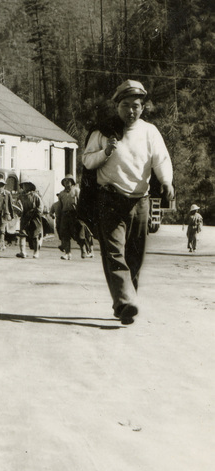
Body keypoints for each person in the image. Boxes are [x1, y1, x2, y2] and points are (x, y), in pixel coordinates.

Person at [83, 79, 174, 325]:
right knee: (114, 254)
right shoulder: (103, 131)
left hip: (140, 201)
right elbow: (87, 161)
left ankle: (124, 301)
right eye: (125, 105)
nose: (130, 111)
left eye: (135, 105)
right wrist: (106, 152)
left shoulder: (149, 132)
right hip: (110, 199)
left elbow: (161, 160)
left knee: (135, 257)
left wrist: (166, 182)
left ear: (142, 107)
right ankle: (126, 302)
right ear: (117, 106)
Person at [53, 174, 93, 260]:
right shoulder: (61, 194)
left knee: (79, 233)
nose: (67, 182)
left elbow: (81, 204)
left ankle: (83, 251)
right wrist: (59, 218)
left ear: (72, 182)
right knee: (65, 234)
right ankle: (68, 253)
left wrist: (82, 215)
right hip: (65, 215)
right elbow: (60, 206)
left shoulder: (76, 191)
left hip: (75, 215)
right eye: (65, 181)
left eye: (69, 181)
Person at [16, 180, 44, 259]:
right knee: (22, 234)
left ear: (30, 186)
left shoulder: (35, 196)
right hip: (24, 217)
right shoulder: (20, 196)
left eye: (26, 185)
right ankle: (22, 252)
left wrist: (34, 212)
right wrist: (19, 212)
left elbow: (40, 207)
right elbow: (17, 206)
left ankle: (36, 252)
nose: (24, 187)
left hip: (34, 217)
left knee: (35, 235)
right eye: (23, 185)